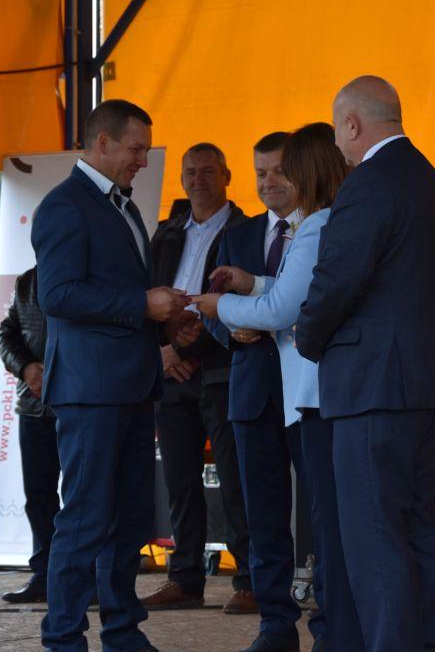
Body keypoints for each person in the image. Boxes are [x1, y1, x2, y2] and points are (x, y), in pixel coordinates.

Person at [295, 76, 435, 652]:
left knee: (374, 537)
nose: (338, 144)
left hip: (371, 386)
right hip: (422, 381)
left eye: (337, 130)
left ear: (352, 124)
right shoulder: (433, 182)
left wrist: (306, 335)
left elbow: (336, 279)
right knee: (417, 531)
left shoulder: (369, 183)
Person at [32, 98, 190, 652]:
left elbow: (113, 293)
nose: (143, 160)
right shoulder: (64, 205)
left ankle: (123, 633)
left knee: (129, 521)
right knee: (85, 520)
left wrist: (166, 320)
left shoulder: (123, 207)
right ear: (102, 142)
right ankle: (63, 639)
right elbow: (56, 295)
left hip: (131, 385)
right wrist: (142, 303)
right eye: (136, 149)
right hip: (90, 390)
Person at [195, 124, 360, 652]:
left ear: (303, 171)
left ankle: (330, 624)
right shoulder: (239, 233)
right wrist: (231, 326)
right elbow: (214, 310)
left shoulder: (318, 225)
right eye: (260, 173)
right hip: (253, 392)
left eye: (279, 171)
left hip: (310, 392)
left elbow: (283, 306)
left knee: (323, 514)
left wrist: (239, 307)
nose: (268, 182)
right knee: (262, 517)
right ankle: (274, 624)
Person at [142, 143, 256, 615]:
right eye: (191, 172)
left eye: (208, 171)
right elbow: (143, 295)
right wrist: (162, 351)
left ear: (226, 176)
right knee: (180, 481)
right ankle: (185, 578)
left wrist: (183, 349)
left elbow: (243, 306)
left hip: (222, 370)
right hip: (171, 373)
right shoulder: (165, 233)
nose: (199, 180)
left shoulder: (246, 231)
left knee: (235, 480)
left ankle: (249, 580)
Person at [0, 266, 60, 605]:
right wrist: (26, 367)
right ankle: (45, 575)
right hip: (34, 407)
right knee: (38, 496)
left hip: (82, 405)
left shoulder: (89, 273)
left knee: (86, 497)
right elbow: (5, 336)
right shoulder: (27, 282)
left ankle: (89, 577)